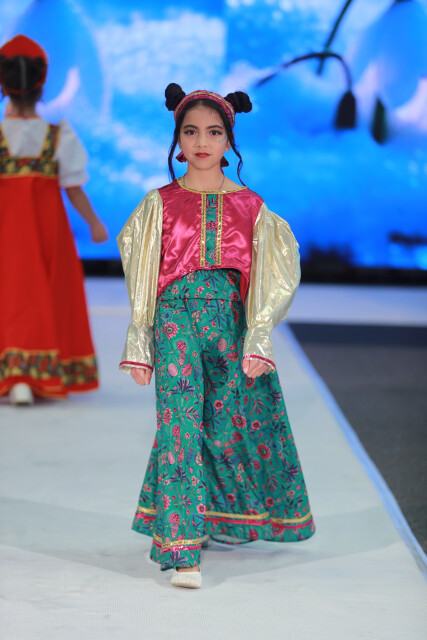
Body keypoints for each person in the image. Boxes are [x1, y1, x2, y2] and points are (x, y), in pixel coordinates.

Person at [118, 83, 315, 589]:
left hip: (230, 319)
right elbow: (143, 271)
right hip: (175, 317)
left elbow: (274, 275)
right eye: (190, 132)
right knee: (179, 424)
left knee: (225, 425)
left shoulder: (253, 208)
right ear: (177, 141)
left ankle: (207, 516)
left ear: (229, 140)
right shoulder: (158, 204)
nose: (201, 142)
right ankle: (181, 548)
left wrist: (260, 335)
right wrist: (140, 340)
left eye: (213, 132)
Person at [0, 35, 108, 404]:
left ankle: (17, 374)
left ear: (4, 86)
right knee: (43, 294)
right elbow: (74, 188)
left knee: (13, 295)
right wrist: (94, 223)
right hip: (47, 232)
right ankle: (34, 372)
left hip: (7, 233)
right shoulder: (58, 135)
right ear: (42, 86)